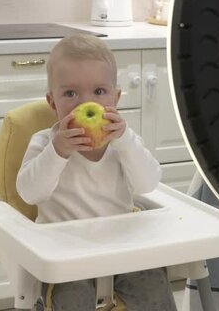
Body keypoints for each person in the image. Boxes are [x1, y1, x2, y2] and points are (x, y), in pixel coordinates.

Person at [16, 34, 177, 311]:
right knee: (73, 297)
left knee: (154, 285)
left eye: (99, 92)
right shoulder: (45, 143)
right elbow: (29, 193)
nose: (84, 103)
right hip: (65, 250)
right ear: (52, 102)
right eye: (70, 93)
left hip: (121, 244)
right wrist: (58, 152)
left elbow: (149, 183)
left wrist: (125, 140)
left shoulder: (122, 142)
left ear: (116, 98)